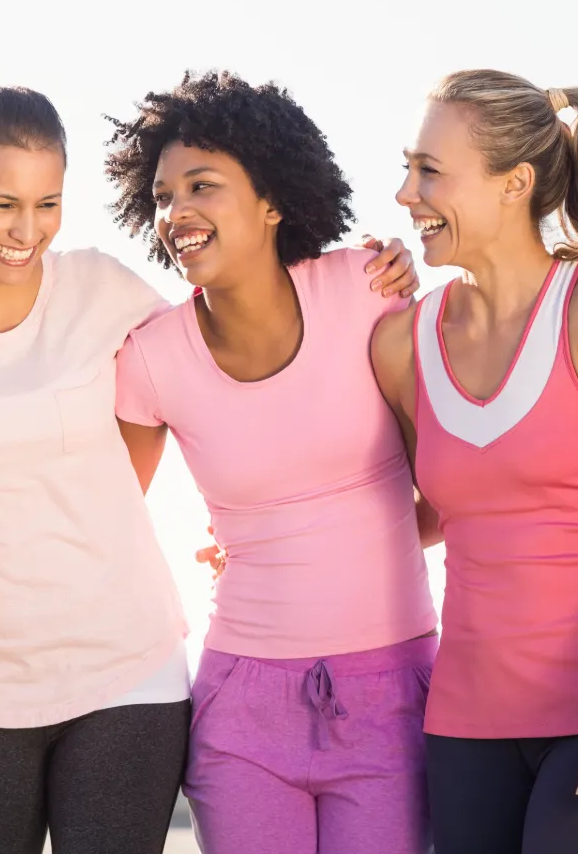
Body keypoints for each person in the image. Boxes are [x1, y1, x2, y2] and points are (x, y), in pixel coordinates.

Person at [0, 84, 420, 854]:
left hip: (129, 671)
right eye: (2, 204)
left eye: (47, 204)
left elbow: (226, 383)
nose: (26, 231)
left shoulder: (104, 291)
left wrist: (373, 268)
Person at [104, 70, 439, 854]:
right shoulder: (151, 359)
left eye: (202, 186)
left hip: (391, 694)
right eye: (160, 196)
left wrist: (348, 546)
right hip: (243, 708)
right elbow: (103, 519)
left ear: (273, 200)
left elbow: (452, 488)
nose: (176, 211)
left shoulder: (366, 292)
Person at [372, 69, 578, 853]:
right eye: (407, 166)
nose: (404, 192)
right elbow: (421, 512)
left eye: (429, 171)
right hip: (465, 730)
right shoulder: (402, 342)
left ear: (514, 184)